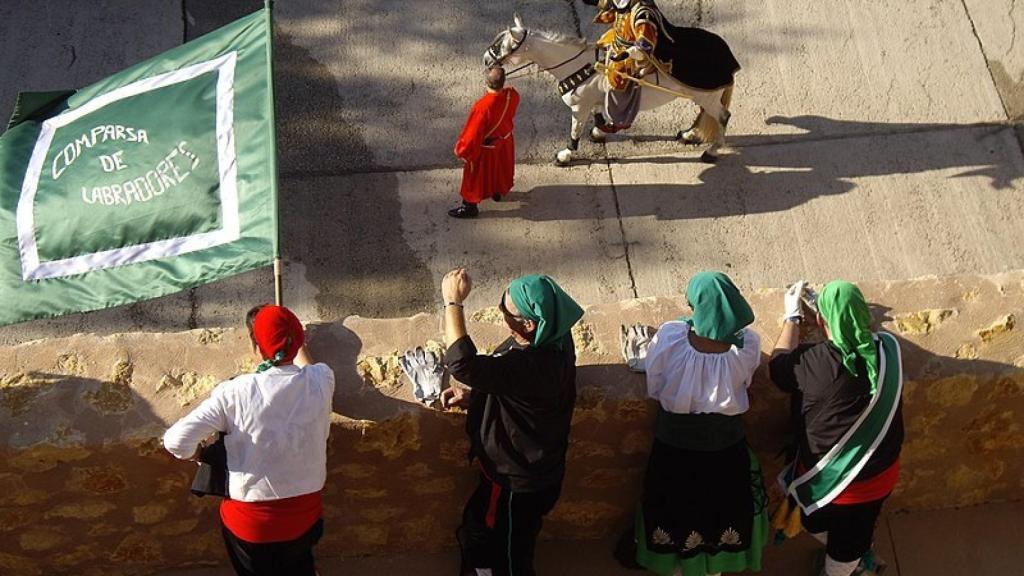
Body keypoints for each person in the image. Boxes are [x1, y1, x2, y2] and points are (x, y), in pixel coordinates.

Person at [163, 305, 335, 576]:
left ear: (256, 347)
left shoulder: (235, 392)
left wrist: (199, 454)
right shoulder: (322, 379)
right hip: (305, 517)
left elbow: (176, 441)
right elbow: (306, 366)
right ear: (298, 341)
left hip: (252, 527)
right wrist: (293, 337)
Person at [621, 271, 768, 576]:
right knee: (718, 514)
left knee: (675, 511)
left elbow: (655, 386)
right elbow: (745, 380)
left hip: (674, 447)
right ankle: (713, 569)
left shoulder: (670, 336)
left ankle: (677, 568)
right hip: (726, 448)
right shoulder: (748, 344)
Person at [440, 268, 583, 575]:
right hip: (541, 470)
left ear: (528, 324)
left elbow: (461, 363)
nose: (501, 315)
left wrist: (453, 302)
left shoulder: (530, 365)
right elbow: (521, 393)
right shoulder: (557, 338)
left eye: (505, 311)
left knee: (511, 554)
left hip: (515, 483)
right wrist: (477, 397)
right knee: (492, 529)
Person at [769, 281, 904, 576]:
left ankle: (847, 568)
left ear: (820, 321)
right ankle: (854, 557)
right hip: (881, 476)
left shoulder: (815, 363)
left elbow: (778, 367)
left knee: (831, 535)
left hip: (836, 488)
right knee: (855, 534)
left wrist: (792, 317)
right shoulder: (889, 351)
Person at [450, 66, 521, 219]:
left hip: (487, 148)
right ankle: (497, 191)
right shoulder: (512, 95)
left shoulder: (482, 107)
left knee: (474, 176)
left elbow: (472, 134)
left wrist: (462, 150)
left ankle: (469, 206)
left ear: (486, 82)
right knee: (499, 169)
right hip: (504, 142)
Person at [591, 0, 661, 132]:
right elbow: (611, 6)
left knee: (617, 79)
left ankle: (619, 119)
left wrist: (627, 54)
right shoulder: (623, 2)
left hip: (632, 52)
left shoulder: (643, 13)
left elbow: (645, 44)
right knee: (597, 46)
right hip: (617, 39)